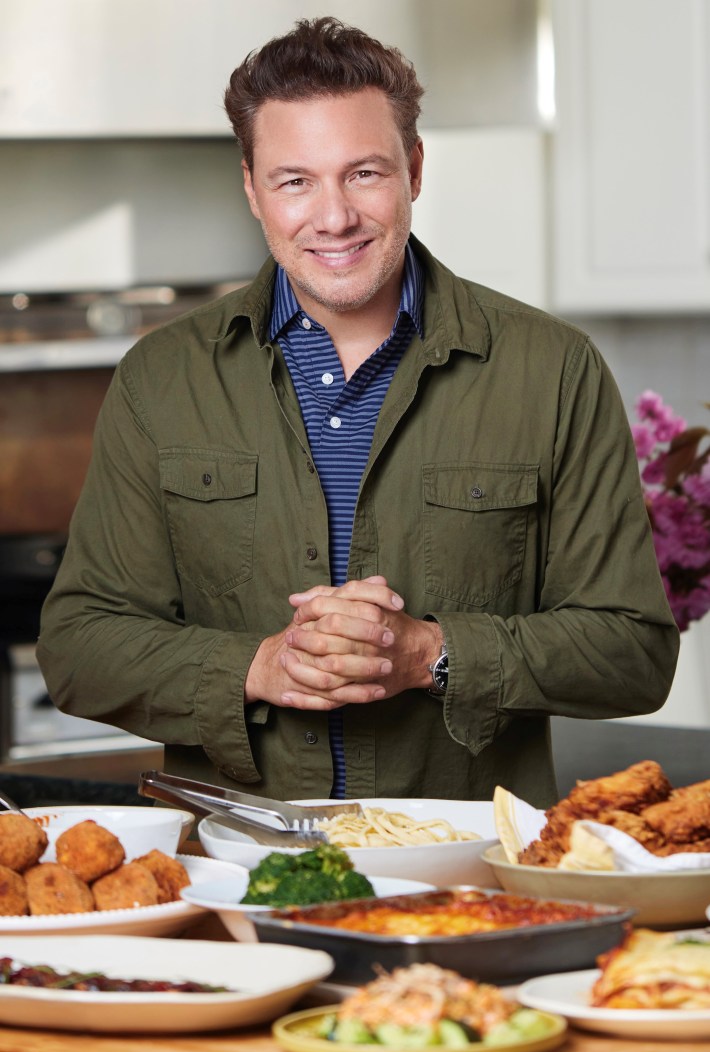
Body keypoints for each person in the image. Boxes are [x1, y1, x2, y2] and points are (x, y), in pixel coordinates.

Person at [37, 17, 679, 807]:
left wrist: (429, 654)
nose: (334, 216)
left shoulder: (552, 370)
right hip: (235, 860)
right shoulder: (161, 378)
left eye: (364, 173)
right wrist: (258, 667)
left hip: (469, 864)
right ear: (252, 189)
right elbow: (78, 647)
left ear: (415, 169)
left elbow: (633, 651)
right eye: (294, 181)